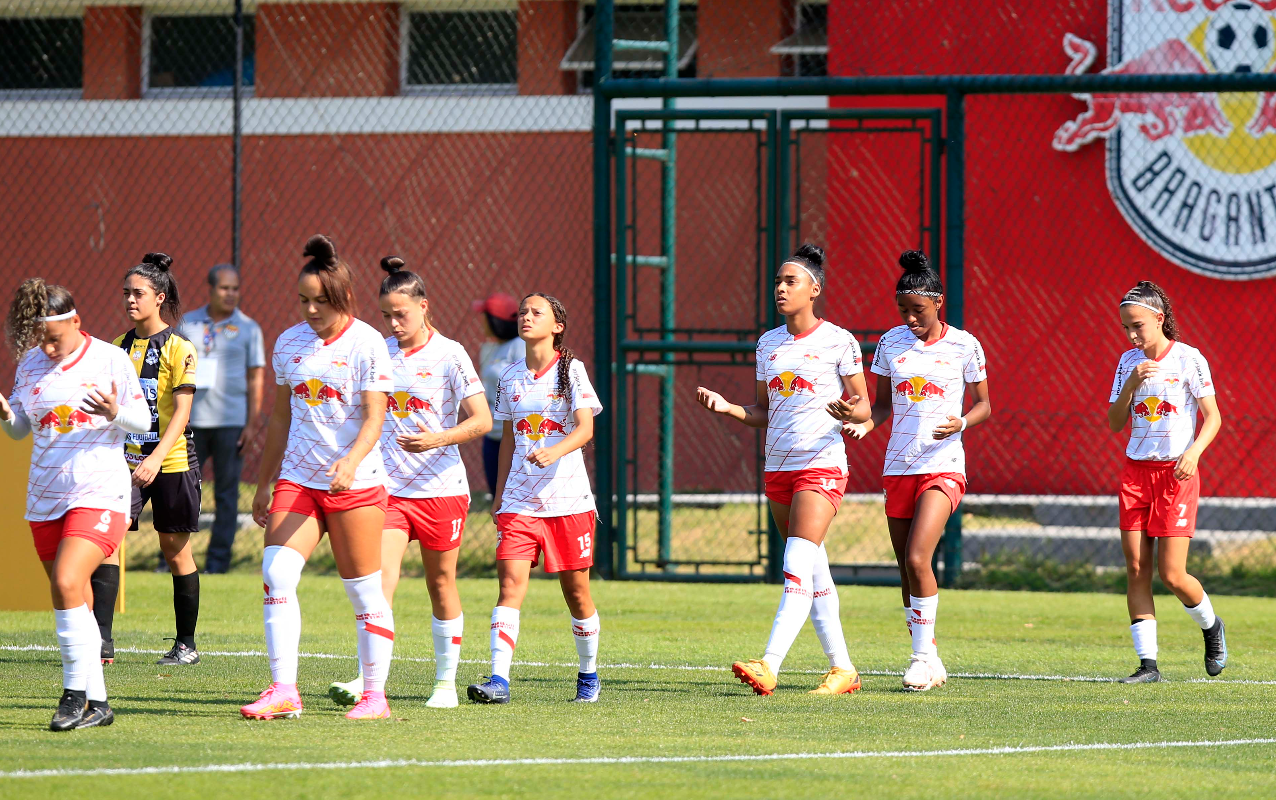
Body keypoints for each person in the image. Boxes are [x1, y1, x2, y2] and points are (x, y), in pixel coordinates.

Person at [695, 243, 872, 696]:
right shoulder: (768, 343)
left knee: (795, 563)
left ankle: (768, 665)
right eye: (778, 280)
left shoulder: (839, 340)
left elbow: (864, 404)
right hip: (778, 468)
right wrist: (729, 408)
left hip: (822, 465)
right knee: (813, 571)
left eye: (790, 281)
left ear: (815, 289)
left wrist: (851, 413)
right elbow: (762, 410)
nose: (780, 287)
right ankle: (843, 670)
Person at [241, 234, 395, 721]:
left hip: (357, 484)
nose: (310, 310)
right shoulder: (288, 342)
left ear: (343, 298)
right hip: (299, 481)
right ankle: (284, 689)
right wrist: (265, 484)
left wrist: (349, 463)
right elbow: (281, 419)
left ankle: (375, 697)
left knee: (363, 590)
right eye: (303, 300)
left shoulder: (368, 342)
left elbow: (376, 417)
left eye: (319, 302)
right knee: (276, 573)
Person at [327, 257, 491, 710]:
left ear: (424, 307)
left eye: (401, 314)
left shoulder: (451, 353)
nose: (394, 323)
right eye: (386, 316)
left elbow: (482, 420)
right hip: (388, 491)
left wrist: (437, 438)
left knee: (440, 583)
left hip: (441, 490)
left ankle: (445, 684)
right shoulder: (377, 351)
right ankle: (367, 678)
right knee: (378, 582)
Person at [0, 279, 149, 730]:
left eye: (54, 338)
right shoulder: (29, 364)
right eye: (39, 339)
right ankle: (100, 706)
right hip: (45, 496)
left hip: (100, 490)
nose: (46, 347)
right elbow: (22, 430)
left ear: (76, 322)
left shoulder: (109, 358)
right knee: (76, 601)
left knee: (66, 581)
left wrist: (113, 413)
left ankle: (73, 695)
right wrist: (8, 416)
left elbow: (142, 422)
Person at [844, 250, 991, 692]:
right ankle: (931, 659)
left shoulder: (965, 345)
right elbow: (883, 404)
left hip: (943, 466)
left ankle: (920, 658)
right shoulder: (890, 343)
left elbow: (984, 404)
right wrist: (864, 423)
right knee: (906, 569)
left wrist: (962, 422)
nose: (909, 319)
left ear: (939, 303)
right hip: (899, 466)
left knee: (917, 557)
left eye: (918, 311)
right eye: (903, 310)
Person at [467, 293, 603, 705]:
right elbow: (507, 439)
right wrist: (500, 494)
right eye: (522, 312)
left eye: (536, 312)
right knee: (509, 587)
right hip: (520, 503)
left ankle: (588, 675)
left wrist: (555, 450)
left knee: (576, 594)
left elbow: (585, 430)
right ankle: (498, 680)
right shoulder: (510, 377)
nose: (526, 317)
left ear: (557, 325)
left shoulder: (572, 371)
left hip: (569, 503)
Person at [1106, 281, 1225, 683]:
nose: (1133, 335)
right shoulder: (1128, 364)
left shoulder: (1189, 359)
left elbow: (1214, 417)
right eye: (1126, 328)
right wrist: (1130, 385)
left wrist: (1193, 453)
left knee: (1173, 574)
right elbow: (1115, 423)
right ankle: (1148, 665)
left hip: (1176, 474)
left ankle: (1212, 628)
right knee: (1137, 567)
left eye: (1138, 325)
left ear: (1159, 319)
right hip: (1135, 474)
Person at [93, 253, 203, 668]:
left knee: (175, 550)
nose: (130, 301)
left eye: (137, 293)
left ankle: (186, 644)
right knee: (109, 541)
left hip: (171, 461)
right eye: (126, 294)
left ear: (159, 297)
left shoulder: (180, 348)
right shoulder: (118, 347)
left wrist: (156, 458)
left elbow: (182, 414)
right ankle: (102, 641)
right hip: (125, 464)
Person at [179, 263, 266, 574]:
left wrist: (252, 422)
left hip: (231, 424)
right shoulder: (188, 324)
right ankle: (173, 560)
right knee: (182, 492)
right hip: (191, 423)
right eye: (224, 288)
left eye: (235, 289)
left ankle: (217, 564)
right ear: (211, 289)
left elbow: (256, 376)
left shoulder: (249, 328)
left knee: (227, 497)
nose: (230, 294)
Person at [472, 292, 524, 496]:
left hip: (516, 437)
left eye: (485, 317)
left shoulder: (520, 346)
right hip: (493, 435)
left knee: (518, 497)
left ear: (495, 321)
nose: (481, 322)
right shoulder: (488, 348)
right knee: (498, 497)